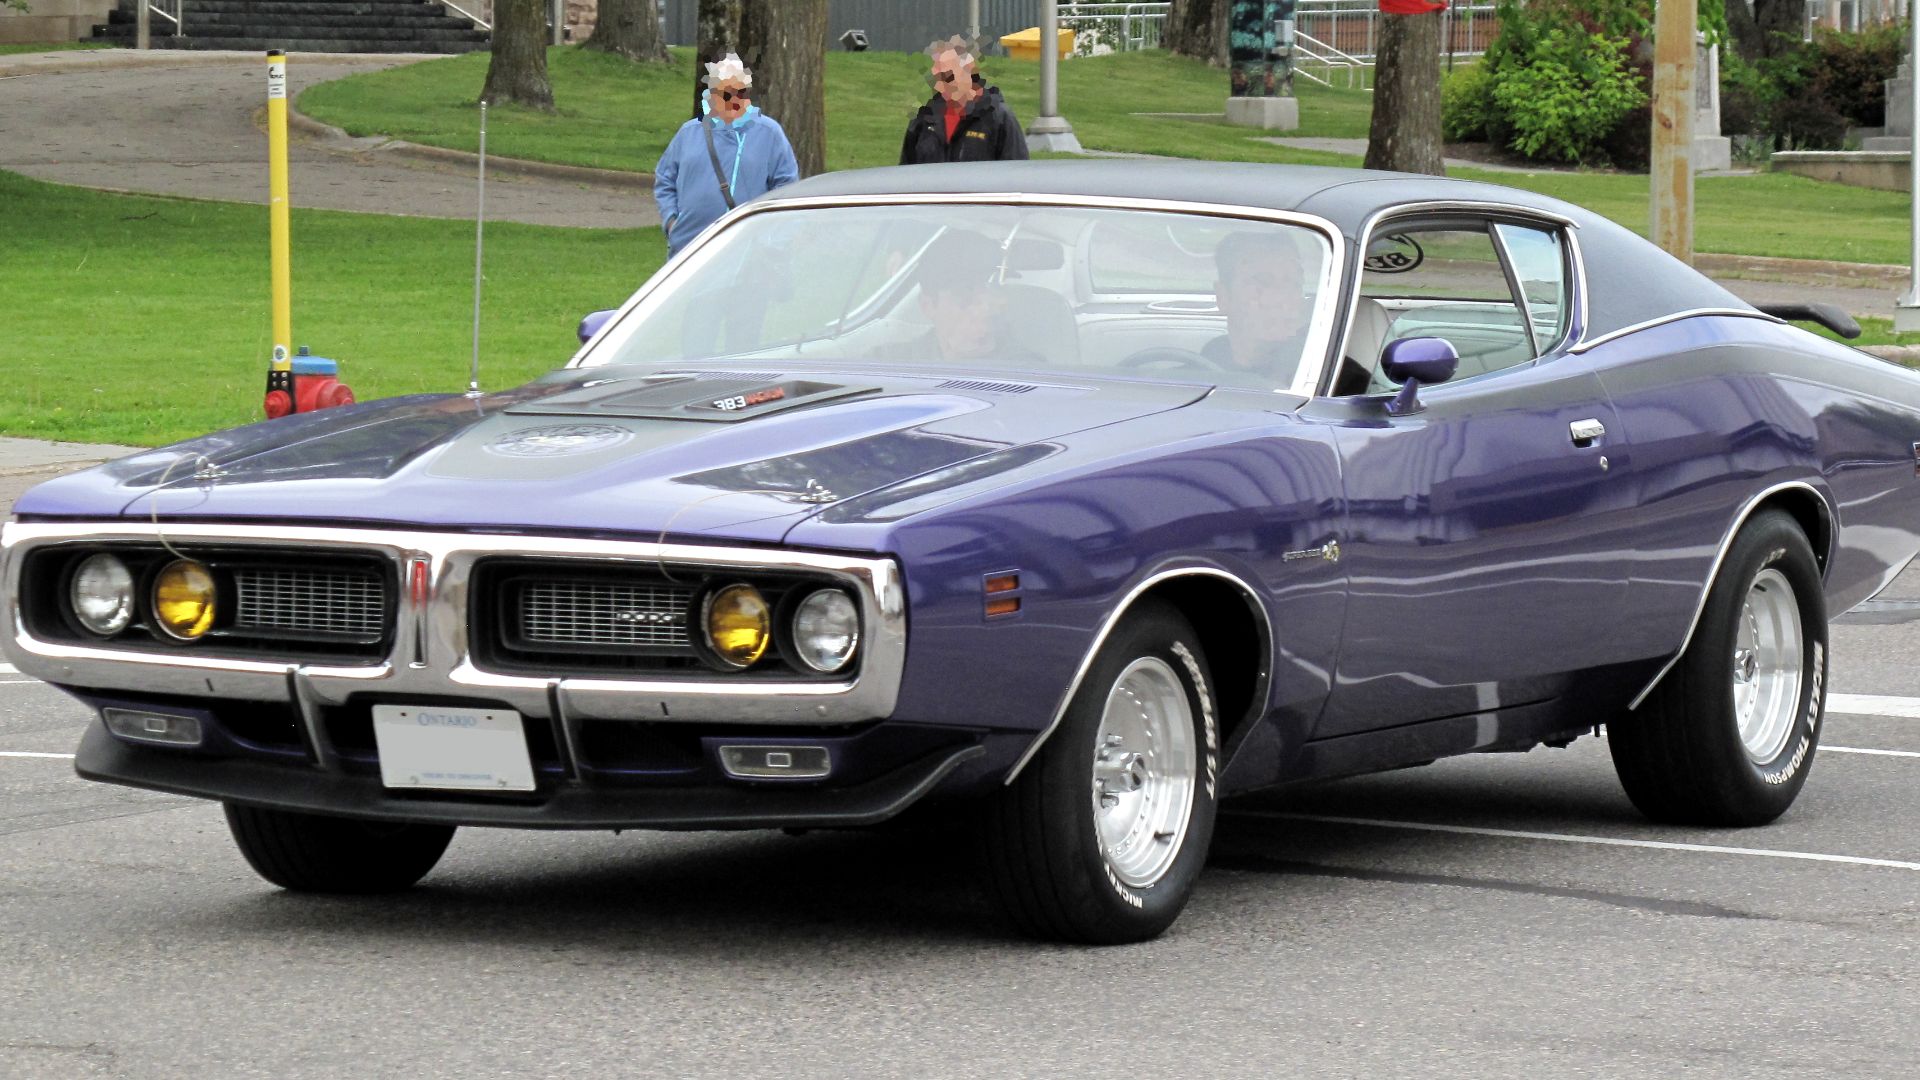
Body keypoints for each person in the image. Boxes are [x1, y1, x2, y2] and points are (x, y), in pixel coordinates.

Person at [654, 53, 800, 258]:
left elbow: (786, 187)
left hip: (748, 251)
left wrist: (773, 237)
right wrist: (671, 222)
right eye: (727, 94)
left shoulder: (769, 133)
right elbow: (665, 178)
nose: (735, 100)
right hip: (690, 248)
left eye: (741, 92)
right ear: (713, 95)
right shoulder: (688, 133)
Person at [900, 36, 1029, 166]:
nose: (939, 86)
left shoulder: (1000, 118)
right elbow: (906, 173)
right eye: (935, 79)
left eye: (947, 77)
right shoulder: (924, 118)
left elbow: (1017, 174)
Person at [1204, 232, 1313, 376]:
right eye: (1262, 282)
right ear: (1223, 297)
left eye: (1293, 283)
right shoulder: (1190, 381)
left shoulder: (1335, 381)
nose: (1281, 298)